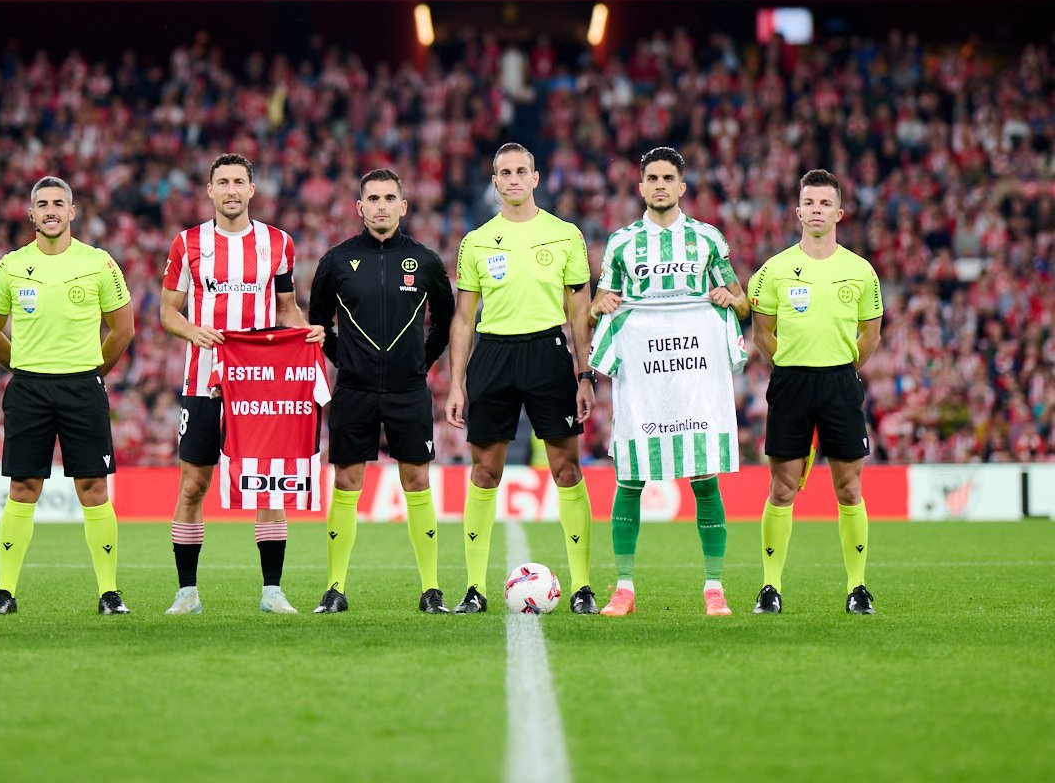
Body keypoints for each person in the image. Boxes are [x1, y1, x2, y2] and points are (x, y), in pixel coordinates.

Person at [589, 146, 750, 617]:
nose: (660, 185)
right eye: (652, 179)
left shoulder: (707, 240)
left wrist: (728, 298)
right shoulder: (621, 243)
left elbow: (741, 305)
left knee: (703, 474)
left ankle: (714, 588)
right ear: (641, 187)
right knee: (631, 474)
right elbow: (603, 298)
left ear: (682, 187)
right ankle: (623, 587)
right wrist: (601, 305)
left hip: (695, 373)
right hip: (643, 374)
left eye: (668, 178)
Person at [160, 152, 322, 615]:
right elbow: (168, 310)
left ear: (253, 190)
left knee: (269, 486)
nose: (231, 190)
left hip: (260, 385)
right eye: (222, 182)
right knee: (193, 485)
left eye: (239, 182)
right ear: (209, 191)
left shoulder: (278, 243)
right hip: (203, 379)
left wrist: (305, 332)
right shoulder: (187, 243)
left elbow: (287, 308)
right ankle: (186, 592)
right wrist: (193, 331)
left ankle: (272, 592)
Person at [446, 143, 598, 614]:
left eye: (521, 171)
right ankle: (475, 588)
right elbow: (464, 319)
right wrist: (455, 382)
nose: (513, 179)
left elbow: (579, 310)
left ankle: (583, 587)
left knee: (566, 469)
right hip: (492, 355)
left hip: (548, 353)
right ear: (494, 182)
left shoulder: (564, 234)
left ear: (536, 178)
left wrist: (584, 373)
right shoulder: (476, 241)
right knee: (485, 471)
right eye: (504, 173)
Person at [0, 176, 135, 616]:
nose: (50, 210)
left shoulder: (99, 263)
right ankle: (5, 591)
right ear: (31, 214)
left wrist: (93, 372)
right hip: (29, 388)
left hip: (82, 386)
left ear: (72, 211)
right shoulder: (9, 266)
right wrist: (23, 365)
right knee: (24, 486)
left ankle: (109, 592)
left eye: (57, 203)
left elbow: (123, 330)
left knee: (93, 486)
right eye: (41, 203)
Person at [308, 168, 455, 614]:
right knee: (347, 482)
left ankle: (431, 590)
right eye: (372, 198)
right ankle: (335, 588)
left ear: (403, 206)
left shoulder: (425, 261)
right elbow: (318, 326)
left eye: (389, 198)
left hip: (408, 390)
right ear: (360, 207)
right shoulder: (336, 261)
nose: (381, 206)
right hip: (353, 389)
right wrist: (347, 362)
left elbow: (445, 323)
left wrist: (420, 365)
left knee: (417, 480)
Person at [747, 169, 884, 615]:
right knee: (783, 487)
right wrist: (789, 363)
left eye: (826, 204)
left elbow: (871, 334)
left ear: (839, 212)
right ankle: (770, 588)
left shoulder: (860, 270)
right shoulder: (774, 270)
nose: (817, 210)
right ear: (798, 211)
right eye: (810, 203)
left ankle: (857, 588)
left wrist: (840, 365)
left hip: (840, 383)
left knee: (849, 488)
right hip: (791, 382)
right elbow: (762, 332)